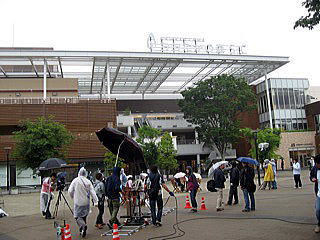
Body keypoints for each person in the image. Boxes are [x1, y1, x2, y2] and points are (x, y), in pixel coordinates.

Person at [68, 167, 98, 238]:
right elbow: (93, 192)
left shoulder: (75, 180)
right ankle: (82, 230)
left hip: (78, 202)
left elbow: (70, 191)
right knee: (84, 216)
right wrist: (96, 201)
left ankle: (83, 226)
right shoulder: (88, 181)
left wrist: (72, 196)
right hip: (86, 203)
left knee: (77, 217)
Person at [310, 155, 320, 233]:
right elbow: (311, 175)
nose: (317, 165)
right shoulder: (315, 168)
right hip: (319, 194)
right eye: (316, 164)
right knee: (318, 210)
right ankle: (319, 224)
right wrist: (312, 178)